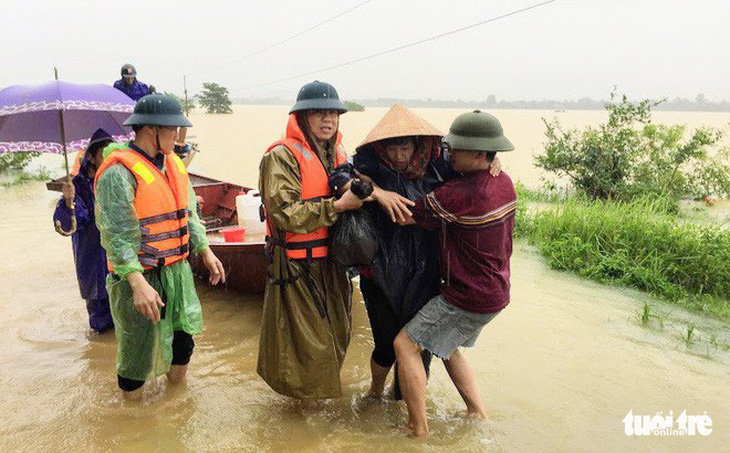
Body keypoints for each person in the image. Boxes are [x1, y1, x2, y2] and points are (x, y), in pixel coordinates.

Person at [393, 110, 517, 437]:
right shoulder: (502, 181)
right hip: (496, 292)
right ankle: (477, 413)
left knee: (405, 344)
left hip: (466, 296)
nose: (450, 154)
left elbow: (407, 215)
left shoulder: (460, 195)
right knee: (446, 346)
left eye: (457, 149)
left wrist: (378, 192)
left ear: (480, 154)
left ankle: (417, 428)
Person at [94, 94, 225, 400]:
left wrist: (205, 250)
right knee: (137, 354)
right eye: (174, 129)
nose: (179, 137)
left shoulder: (174, 165)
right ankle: (135, 423)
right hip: (140, 278)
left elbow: (189, 214)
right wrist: (138, 284)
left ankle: (174, 408)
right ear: (152, 129)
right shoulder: (118, 174)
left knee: (182, 346)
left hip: (177, 272)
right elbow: (117, 237)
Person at [257, 81, 364, 399]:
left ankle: (315, 407)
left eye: (332, 112)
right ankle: (307, 422)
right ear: (302, 118)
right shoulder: (281, 156)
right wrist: (338, 206)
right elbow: (283, 212)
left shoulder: (339, 154)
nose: (327, 119)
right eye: (318, 113)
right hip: (297, 268)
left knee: (337, 336)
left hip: (333, 264)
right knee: (308, 347)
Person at [53, 128, 114, 333]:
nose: (108, 159)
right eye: (103, 154)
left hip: (118, 262)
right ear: (92, 157)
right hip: (94, 260)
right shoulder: (78, 185)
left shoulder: (116, 180)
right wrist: (69, 200)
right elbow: (69, 225)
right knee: (101, 325)